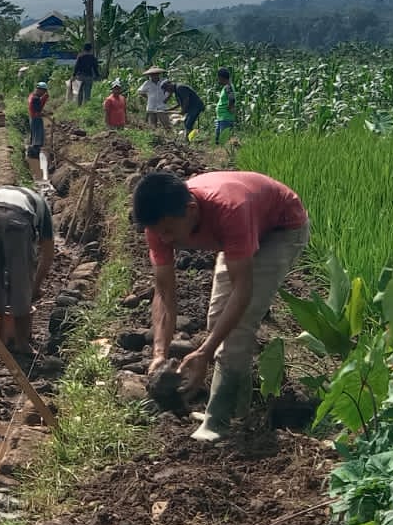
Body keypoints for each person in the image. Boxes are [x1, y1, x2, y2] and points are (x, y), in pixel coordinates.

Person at [133, 170, 310, 442]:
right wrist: (159, 352)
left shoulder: (230, 210)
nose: (165, 239)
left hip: (281, 228)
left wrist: (205, 352)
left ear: (191, 210)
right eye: (158, 233)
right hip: (242, 230)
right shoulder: (159, 224)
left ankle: (218, 421)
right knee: (217, 320)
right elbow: (164, 292)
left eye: (169, 231)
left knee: (238, 326)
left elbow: (243, 290)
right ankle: (240, 413)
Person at [0, 185, 56, 355]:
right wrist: (34, 287)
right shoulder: (42, 206)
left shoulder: (2, 191)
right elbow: (47, 254)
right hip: (16, 218)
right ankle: (21, 344)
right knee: (22, 282)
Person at [214, 68, 238, 144]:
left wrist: (230, 107)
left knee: (223, 140)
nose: (218, 80)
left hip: (225, 117)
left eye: (218, 78)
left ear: (221, 77)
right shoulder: (227, 87)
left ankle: (224, 154)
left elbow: (232, 98)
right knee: (218, 139)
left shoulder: (228, 87)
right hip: (222, 117)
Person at [26, 81, 49, 156]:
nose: (43, 93)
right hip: (36, 118)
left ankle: (33, 150)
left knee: (34, 135)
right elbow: (38, 110)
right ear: (39, 89)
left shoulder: (32, 95)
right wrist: (44, 99)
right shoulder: (36, 98)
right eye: (43, 91)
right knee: (37, 136)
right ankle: (34, 152)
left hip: (32, 117)